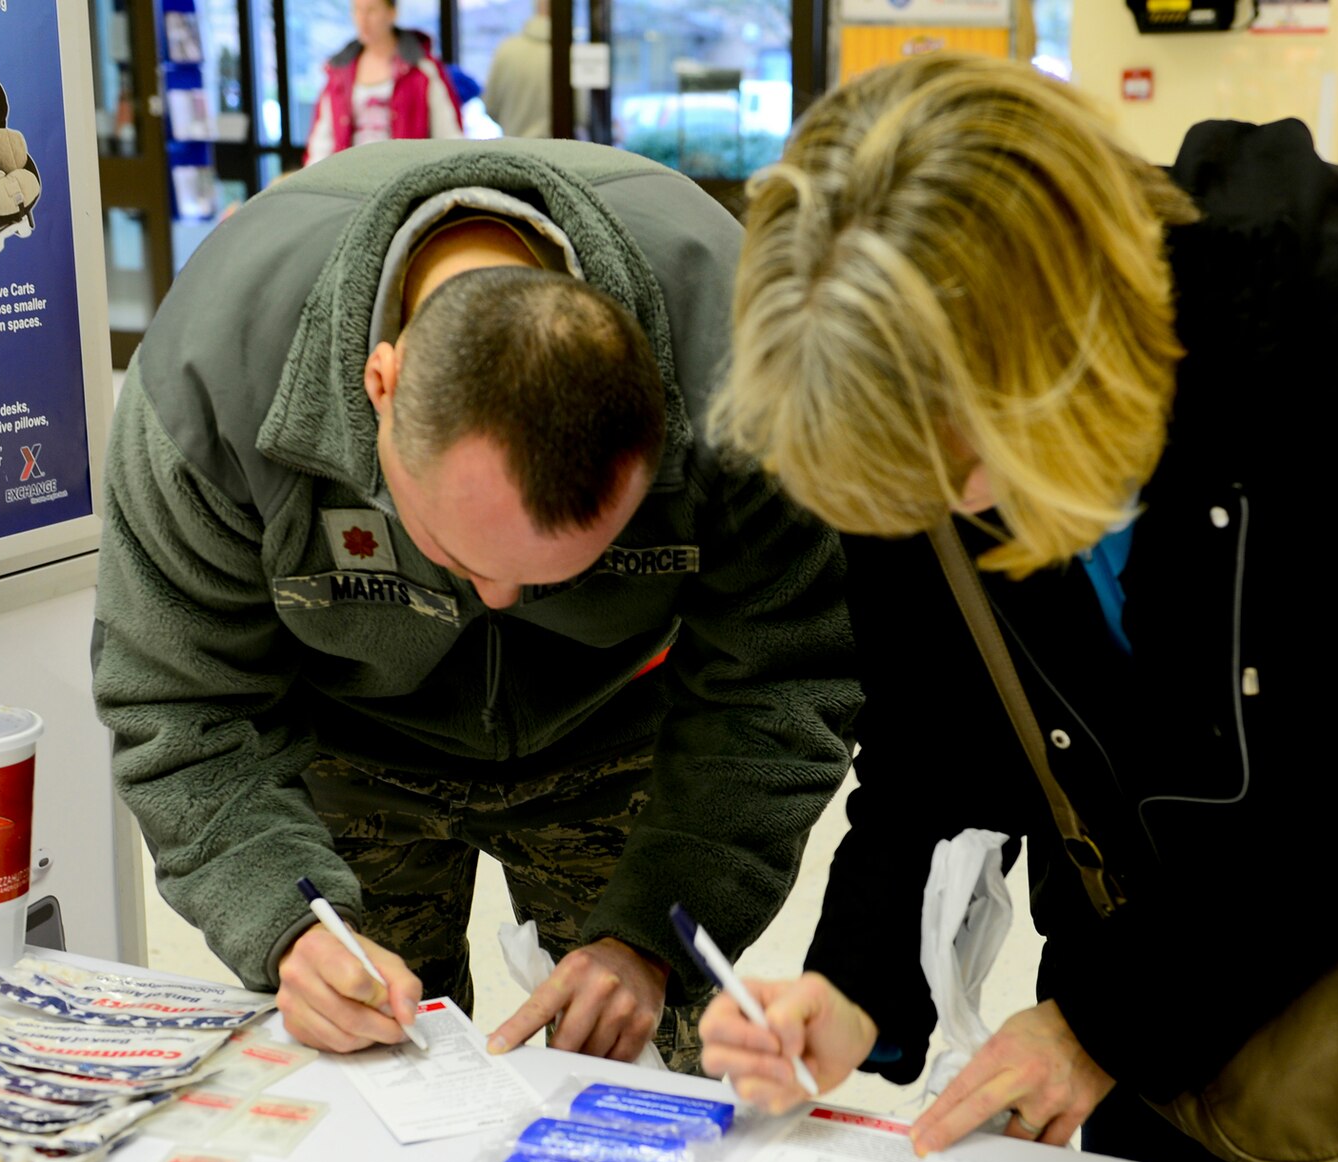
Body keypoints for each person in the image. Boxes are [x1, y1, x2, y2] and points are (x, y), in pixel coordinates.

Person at [699, 55, 1338, 1162]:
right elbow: (925, 726)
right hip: (1159, 897)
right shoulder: (909, 415)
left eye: (955, 463)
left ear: (1059, 341)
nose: (948, 510)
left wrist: (1101, 1024)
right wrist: (852, 977)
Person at [92, 139, 858, 1073]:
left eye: (562, 572)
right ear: (380, 388)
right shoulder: (214, 376)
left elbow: (783, 677)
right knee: (364, 1079)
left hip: (627, 735)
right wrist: (285, 923)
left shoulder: (744, 368)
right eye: (457, 555)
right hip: (347, 742)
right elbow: (181, 704)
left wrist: (657, 927)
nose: (501, 602)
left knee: (646, 1089)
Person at [304, 0, 463, 165]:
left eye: (371, 10)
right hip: (348, 180)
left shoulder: (423, 69)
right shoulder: (339, 71)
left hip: (405, 178)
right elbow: (321, 144)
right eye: (358, 10)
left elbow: (449, 136)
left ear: (392, 13)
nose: (363, 19)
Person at [486, 9, 557, 140]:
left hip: (513, 147)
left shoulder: (506, 49)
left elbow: (490, 105)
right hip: (556, 151)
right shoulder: (568, 54)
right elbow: (581, 113)